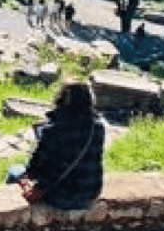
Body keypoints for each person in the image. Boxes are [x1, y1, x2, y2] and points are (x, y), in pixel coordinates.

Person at [9, 81, 106, 212]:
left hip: (60, 197)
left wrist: (41, 138)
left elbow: (34, 170)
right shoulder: (98, 127)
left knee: (14, 171)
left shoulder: (54, 129)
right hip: (90, 194)